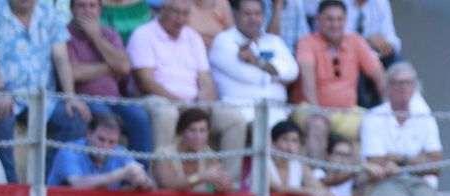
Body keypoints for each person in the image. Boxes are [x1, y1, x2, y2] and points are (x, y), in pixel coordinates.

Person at [0, 0, 91, 183]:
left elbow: (61, 58)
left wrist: (70, 97)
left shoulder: (48, 12)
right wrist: (0, 91)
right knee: (1, 120)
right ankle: (11, 188)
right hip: (7, 96)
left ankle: (47, 183)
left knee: (76, 119)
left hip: (44, 98)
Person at [128, 0, 245, 170]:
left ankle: (228, 183)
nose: (180, 18)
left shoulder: (193, 37)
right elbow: (145, 81)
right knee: (166, 113)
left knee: (234, 118)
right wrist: (182, 104)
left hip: (193, 103)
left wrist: (202, 106)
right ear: (162, 10)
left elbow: (206, 79)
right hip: (156, 99)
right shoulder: (143, 34)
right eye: (176, 12)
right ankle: (161, 179)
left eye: (185, 13)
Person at [295, 0, 385, 160]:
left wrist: (390, 109)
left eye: (339, 19)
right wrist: (317, 110)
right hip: (309, 107)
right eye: (329, 19)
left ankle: (363, 182)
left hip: (347, 111)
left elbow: (380, 76)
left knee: (376, 124)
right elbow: (307, 80)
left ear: (345, 21)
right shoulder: (307, 42)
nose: (335, 24)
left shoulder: (355, 41)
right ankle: (318, 177)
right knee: (318, 125)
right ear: (318, 20)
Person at [66, 0, 153, 159]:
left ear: (100, 9)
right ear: (72, 9)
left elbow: (125, 66)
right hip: (86, 100)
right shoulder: (66, 34)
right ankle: (109, 175)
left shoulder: (109, 34)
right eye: (82, 6)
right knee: (105, 118)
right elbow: (74, 72)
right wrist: (109, 66)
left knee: (140, 117)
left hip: (115, 100)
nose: (87, 10)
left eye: (92, 6)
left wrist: (96, 37)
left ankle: (139, 175)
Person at [208, 0, 299, 129]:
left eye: (257, 14)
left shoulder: (273, 40)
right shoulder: (224, 40)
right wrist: (277, 74)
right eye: (247, 14)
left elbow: (293, 72)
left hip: (277, 111)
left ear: (263, 16)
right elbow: (250, 75)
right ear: (236, 15)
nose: (253, 19)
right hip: (240, 111)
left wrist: (257, 62)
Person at [358, 61, 440, 196]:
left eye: (408, 83)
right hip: (384, 183)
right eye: (398, 83)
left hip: (419, 183)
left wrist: (398, 159)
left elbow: (436, 164)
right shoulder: (374, 116)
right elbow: (376, 161)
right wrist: (418, 160)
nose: (403, 87)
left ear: (415, 87)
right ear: (388, 87)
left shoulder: (425, 116)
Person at [47, 111, 155, 189]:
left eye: (111, 142)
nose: (105, 146)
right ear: (88, 134)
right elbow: (78, 183)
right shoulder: (69, 151)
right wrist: (118, 175)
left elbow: (151, 185)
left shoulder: (120, 153)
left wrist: (142, 181)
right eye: (101, 139)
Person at [153, 108, 232, 193]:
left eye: (202, 131)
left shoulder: (209, 155)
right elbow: (169, 183)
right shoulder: (164, 154)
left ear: (208, 134)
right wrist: (201, 177)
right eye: (192, 130)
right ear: (181, 132)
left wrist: (222, 187)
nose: (198, 136)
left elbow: (225, 188)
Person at [265, 119, 331, 196]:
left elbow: (317, 187)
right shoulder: (263, 162)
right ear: (274, 142)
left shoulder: (299, 164)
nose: (290, 146)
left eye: (294, 141)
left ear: (299, 145)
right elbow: (275, 187)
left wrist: (325, 192)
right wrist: (308, 191)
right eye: (285, 139)